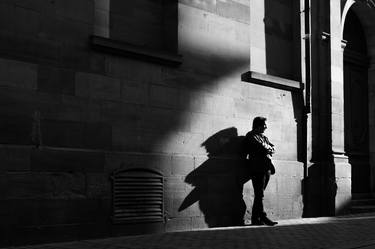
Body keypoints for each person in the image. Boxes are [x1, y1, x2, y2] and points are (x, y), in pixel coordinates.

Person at [243, 116, 278, 226]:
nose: (266, 127)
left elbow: (273, 148)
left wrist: (268, 148)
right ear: (258, 125)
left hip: (266, 168)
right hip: (257, 169)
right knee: (259, 194)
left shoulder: (263, 137)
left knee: (259, 195)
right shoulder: (251, 136)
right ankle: (262, 216)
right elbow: (263, 148)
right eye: (264, 125)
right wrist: (268, 148)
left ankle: (255, 219)